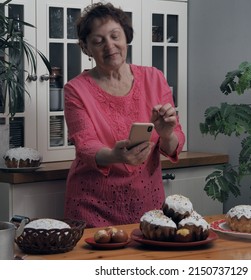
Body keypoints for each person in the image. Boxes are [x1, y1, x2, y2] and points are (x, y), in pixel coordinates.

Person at [63, 2, 185, 228]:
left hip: (148, 207)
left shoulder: (154, 78)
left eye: (114, 36)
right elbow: (85, 144)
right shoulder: (75, 89)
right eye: (98, 41)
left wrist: (167, 134)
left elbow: (173, 140)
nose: (110, 46)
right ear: (86, 48)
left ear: (126, 37)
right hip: (91, 206)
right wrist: (114, 155)